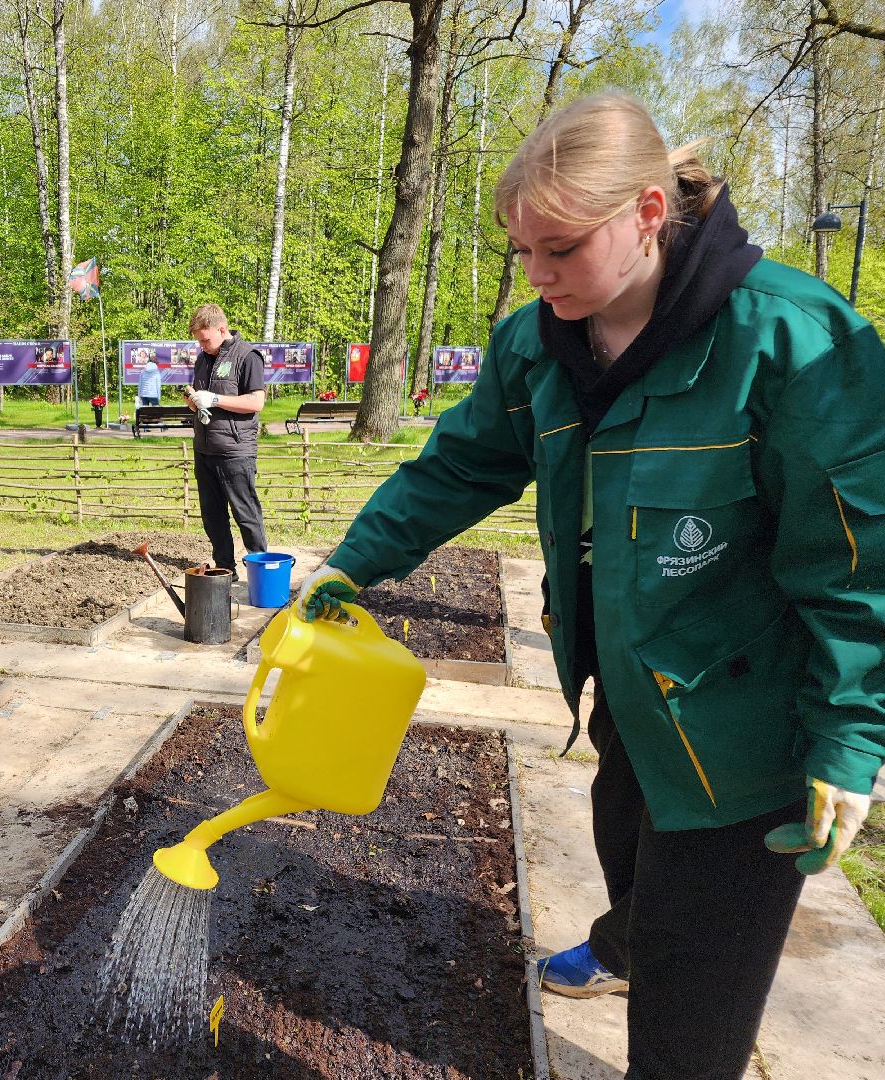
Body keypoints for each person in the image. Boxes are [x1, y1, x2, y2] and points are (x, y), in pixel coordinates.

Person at [296, 93, 885, 1080]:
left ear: (648, 213)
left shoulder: (793, 341)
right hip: (627, 699)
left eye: (560, 248)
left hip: (747, 739)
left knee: (690, 1019)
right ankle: (624, 947)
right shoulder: (538, 344)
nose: (536, 274)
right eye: (523, 250)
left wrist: (851, 739)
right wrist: (356, 558)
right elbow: (459, 465)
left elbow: (859, 562)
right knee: (634, 865)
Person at [184, 304, 268, 580]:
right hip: (204, 448)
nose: (202, 345)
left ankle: (260, 572)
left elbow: (256, 402)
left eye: (205, 339)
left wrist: (216, 399)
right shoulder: (203, 359)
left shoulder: (248, 356)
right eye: (199, 341)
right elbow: (204, 400)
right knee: (212, 515)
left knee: (245, 513)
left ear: (222, 329)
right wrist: (195, 401)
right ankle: (225, 570)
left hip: (235, 450)